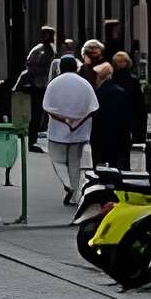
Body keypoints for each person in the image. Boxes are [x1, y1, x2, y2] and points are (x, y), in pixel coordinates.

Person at [41, 54, 98, 204]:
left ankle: (67, 184)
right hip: (80, 130)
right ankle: (75, 193)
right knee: (75, 162)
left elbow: (47, 107)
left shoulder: (54, 84)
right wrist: (77, 121)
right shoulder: (84, 83)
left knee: (57, 159)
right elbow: (93, 107)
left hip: (58, 130)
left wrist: (65, 120)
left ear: (61, 67)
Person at [14, 26, 58, 152]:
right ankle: (31, 142)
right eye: (49, 35)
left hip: (44, 85)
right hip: (38, 86)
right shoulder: (41, 50)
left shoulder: (49, 49)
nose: (51, 38)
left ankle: (33, 140)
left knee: (39, 114)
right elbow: (30, 67)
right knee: (36, 115)